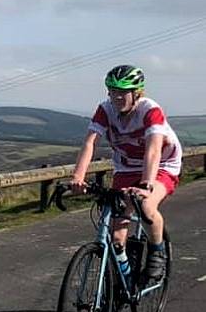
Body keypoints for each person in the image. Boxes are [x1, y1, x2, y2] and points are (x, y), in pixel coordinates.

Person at [70, 64, 182, 283]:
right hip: (126, 167)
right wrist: (78, 176)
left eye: (123, 92)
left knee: (146, 205)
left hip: (162, 165)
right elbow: (90, 142)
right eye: (112, 91)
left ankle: (157, 251)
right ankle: (126, 280)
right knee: (115, 236)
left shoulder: (150, 110)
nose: (117, 97)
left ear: (136, 92)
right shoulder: (105, 109)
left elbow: (154, 149)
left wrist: (146, 184)